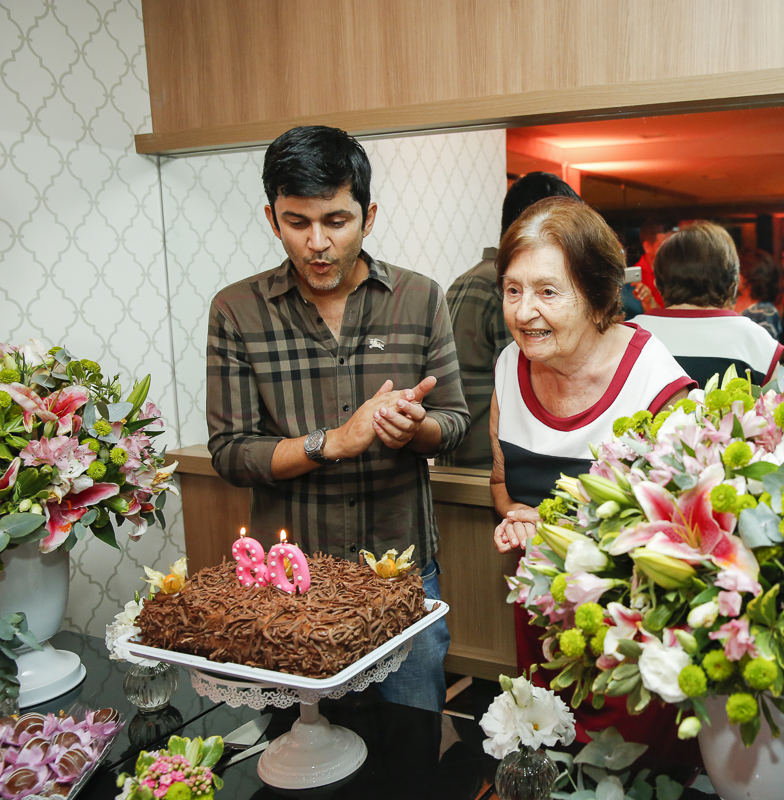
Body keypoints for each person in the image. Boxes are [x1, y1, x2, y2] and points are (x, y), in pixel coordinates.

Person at [206, 125, 468, 713]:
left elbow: (453, 422)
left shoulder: (420, 298)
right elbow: (229, 452)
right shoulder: (236, 310)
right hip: (293, 581)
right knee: (301, 753)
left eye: (336, 221)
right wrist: (331, 442)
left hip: (398, 575)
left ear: (367, 216)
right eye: (297, 223)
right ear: (273, 219)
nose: (317, 243)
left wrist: (415, 429)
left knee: (409, 744)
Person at [488, 196, 695, 753]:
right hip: (541, 617)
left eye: (548, 291)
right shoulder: (510, 366)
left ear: (599, 292)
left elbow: (684, 532)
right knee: (547, 757)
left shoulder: (655, 382)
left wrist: (562, 533)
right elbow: (502, 484)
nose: (524, 311)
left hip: (632, 632)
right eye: (513, 290)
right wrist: (518, 518)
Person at [438, 172, 581, 470]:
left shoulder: (467, 279)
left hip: (454, 460)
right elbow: (528, 381)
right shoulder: (505, 289)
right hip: (490, 465)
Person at [635, 221, 783, 386]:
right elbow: (771, 406)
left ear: (657, 283)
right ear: (733, 283)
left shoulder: (628, 337)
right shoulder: (754, 340)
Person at [739, 249, 783, 338]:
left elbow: (764, 349)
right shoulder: (729, 301)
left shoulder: (766, 312)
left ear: (748, 275)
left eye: (736, 271)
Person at [630, 219, 668, 311]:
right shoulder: (634, 279)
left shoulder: (677, 271)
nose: (671, 250)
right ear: (647, 247)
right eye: (664, 245)